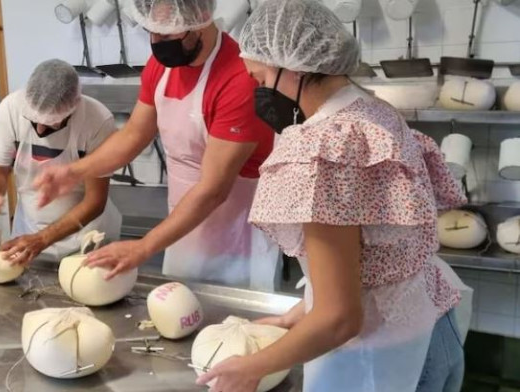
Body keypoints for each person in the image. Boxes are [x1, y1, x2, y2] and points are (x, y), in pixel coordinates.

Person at [194, 0, 467, 391]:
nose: (256, 92)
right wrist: (300, 312)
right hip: (433, 327)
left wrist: (254, 365)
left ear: (294, 68)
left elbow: (340, 318)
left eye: (257, 79)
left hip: (385, 356)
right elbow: (371, 256)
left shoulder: (318, 149)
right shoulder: (373, 112)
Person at [33, 0, 279, 289]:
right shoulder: (161, 67)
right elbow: (134, 134)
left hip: (237, 233)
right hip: (183, 224)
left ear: (200, 18)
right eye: (152, 31)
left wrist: (144, 246)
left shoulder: (239, 77)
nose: (156, 42)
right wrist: (73, 172)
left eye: (166, 34)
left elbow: (214, 190)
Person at [0, 59, 121, 264]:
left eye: (52, 124)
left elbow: (94, 201)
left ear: (73, 108)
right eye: (34, 121)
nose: (41, 131)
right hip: (28, 230)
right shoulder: (11, 108)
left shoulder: (97, 120)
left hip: (85, 237)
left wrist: (44, 238)